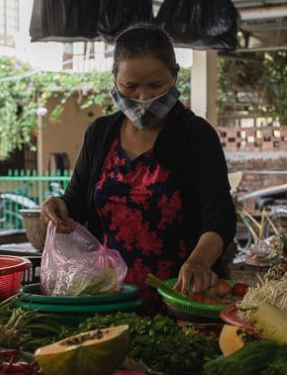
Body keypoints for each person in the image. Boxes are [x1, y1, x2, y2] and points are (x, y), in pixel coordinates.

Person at [41, 24, 236, 295]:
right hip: (109, 297)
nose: (143, 97)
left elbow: (220, 217)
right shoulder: (100, 134)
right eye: (130, 86)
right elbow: (76, 202)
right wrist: (58, 205)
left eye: (156, 85)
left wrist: (199, 262)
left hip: (180, 297)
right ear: (115, 79)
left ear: (175, 76)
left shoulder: (196, 136)